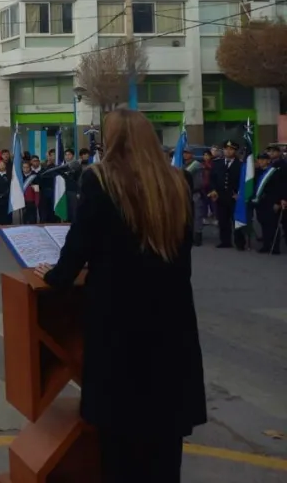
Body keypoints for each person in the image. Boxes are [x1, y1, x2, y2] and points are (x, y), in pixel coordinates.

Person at [35, 109, 206, 482]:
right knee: (164, 440)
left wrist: (56, 277)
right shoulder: (177, 182)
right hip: (172, 324)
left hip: (120, 324)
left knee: (120, 443)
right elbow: (184, 257)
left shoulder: (101, 180)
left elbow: (79, 246)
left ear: (111, 141)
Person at [209, 140, 242, 249]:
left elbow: (244, 182)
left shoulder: (241, 165)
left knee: (236, 221)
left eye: (231, 149)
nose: (228, 151)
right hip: (221, 196)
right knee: (223, 220)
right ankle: (225, 241)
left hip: (234, 197)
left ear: (235, 151)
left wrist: (239, 194)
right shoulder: (217, 163)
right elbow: (212, 178)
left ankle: (240, 242)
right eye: (226, 149)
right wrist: (213, 190)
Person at [253, 152, 283, 254]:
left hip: (271, 202)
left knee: (273, 225)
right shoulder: (257, 172)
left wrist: (278, 202)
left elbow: (279, 189)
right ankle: (266, 245)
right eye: (259, 159)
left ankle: (275, 247)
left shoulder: (274, 172)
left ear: (268, 161)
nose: (261, 161)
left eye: (263, 159)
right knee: (263, 224)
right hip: (260, 202)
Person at [182, 147, 206, 246]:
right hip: (185, 195)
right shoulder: (183, 165)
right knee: (188, 217)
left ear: (192, 154)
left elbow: (199, 182)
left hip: (195, 193)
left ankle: (197, 237)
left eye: (188, 153)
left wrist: (190, 188)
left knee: (197, 216)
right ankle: (189, 236)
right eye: (184, 153)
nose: (185, 155)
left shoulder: (197, 166)